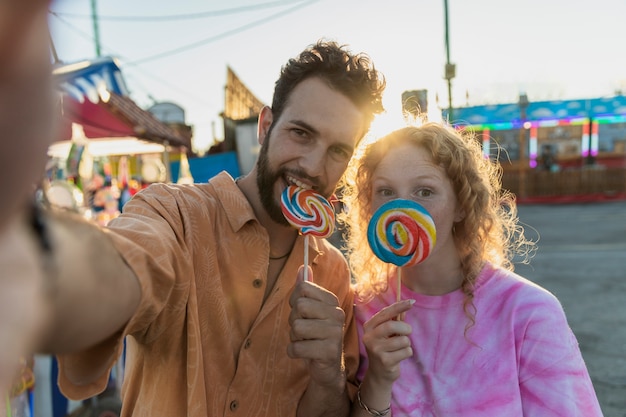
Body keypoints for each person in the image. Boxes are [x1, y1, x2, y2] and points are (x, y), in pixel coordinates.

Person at [1, 13, 387, 414]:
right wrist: (42, 258)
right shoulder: (175, 215)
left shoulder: (334, 275)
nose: (311, 164)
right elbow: (128, 264)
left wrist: (328, 373)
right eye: (301, 133)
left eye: (338, 150)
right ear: (265, 126)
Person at [339, 123, 603, 416]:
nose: (401, 208)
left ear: (461, 205)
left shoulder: (528, 313)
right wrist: (377, 379)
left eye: (425, 191)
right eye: (386, 191)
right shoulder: (360, 311)